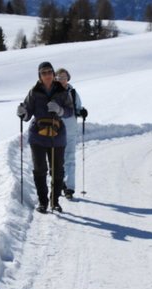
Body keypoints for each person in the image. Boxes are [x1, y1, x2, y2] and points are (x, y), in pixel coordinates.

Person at [17, 61, 74, 213]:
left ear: (53, 73)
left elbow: (70, 111)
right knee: (40, 169)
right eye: (44, 73)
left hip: (57, 136)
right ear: (40, 76)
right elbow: (27, 113)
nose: (47, 75)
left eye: (49, 72)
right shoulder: (34, 91)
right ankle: (42, 202)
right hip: (38, 136)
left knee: (57, 171)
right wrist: (22, 113)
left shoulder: (61, 90)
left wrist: (60, 110)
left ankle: (54, 201)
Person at [55, 68, 88, 200]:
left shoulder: (73, 93)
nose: (62, 79)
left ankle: (69, 188)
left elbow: (78, 108)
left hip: (70, 130)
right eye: (59, 77)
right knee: (57, 160)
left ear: (68, 78)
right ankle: (59, 182)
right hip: (56, 130)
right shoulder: (53, 93)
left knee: (70, 158)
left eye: (64, 77)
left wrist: (82, 112)